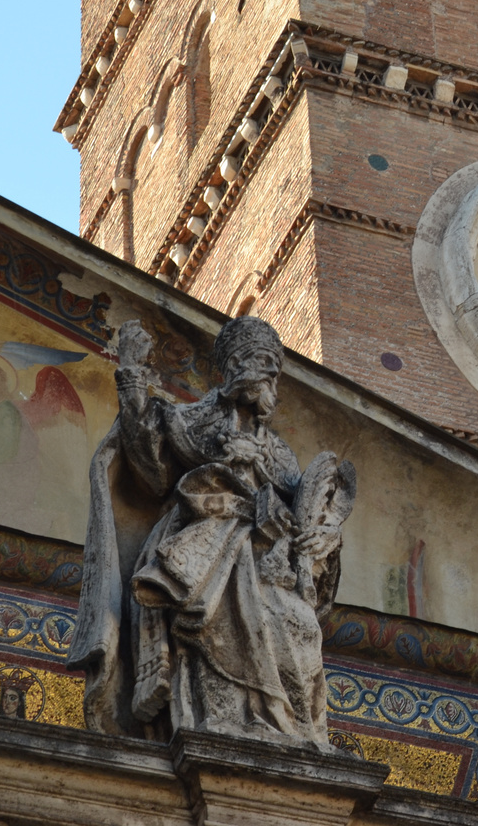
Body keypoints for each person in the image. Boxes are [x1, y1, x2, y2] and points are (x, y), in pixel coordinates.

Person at [67, 316, 355, 748]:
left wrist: (325, 539)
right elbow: (149, 467)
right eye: (266, 367)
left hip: (266, 564)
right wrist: (131, 375)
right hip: (204, 552)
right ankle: (222, 723)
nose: (274, 382)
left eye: (277, 371)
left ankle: (291, 729)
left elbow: (303, 519)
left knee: (302, 631)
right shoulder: (192, 420)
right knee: (209, 623)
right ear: (238, 365)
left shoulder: (280, 452)